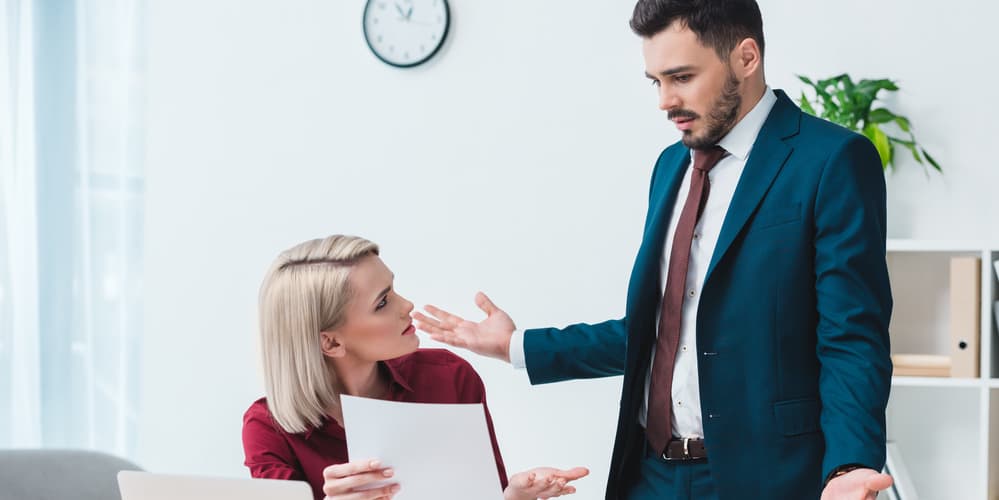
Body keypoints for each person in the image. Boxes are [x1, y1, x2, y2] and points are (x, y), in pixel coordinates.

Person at [414, 1, 896, 499]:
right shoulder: (672, 166)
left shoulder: (831, 159)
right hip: (650, 475)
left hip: (764, 477)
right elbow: (661, 330)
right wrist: (515, 347)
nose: (665, 101)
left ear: (746, 58)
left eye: (682, 77)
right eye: (656, 81)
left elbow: (851, 334)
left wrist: (849, 464)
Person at [242, 235, 589, 500]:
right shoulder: (268, 428)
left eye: (393, 289)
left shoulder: (449, 377)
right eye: (382, 302)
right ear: (331, 342)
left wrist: (513, 496)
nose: (406, 305)